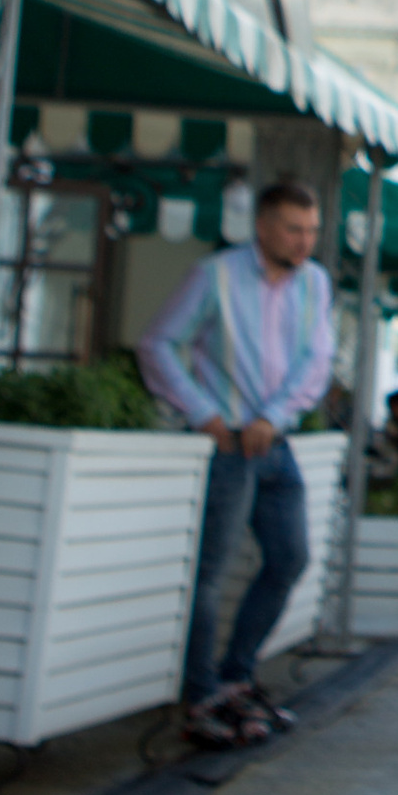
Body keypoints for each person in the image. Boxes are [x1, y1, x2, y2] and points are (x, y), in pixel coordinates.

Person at [140, 180, 336, 751]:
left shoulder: (315, 284)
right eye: (294, 230)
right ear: (263, 228)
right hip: (227, 445)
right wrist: (205, 416)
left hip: (274, 441)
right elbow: (158, 344)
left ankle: (236, 675)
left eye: (312, 231)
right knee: (211, 572)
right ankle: (200, 694)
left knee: (290, 558)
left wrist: (273, 418)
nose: (305, 242)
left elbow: (316, 361)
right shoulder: (215, 276)